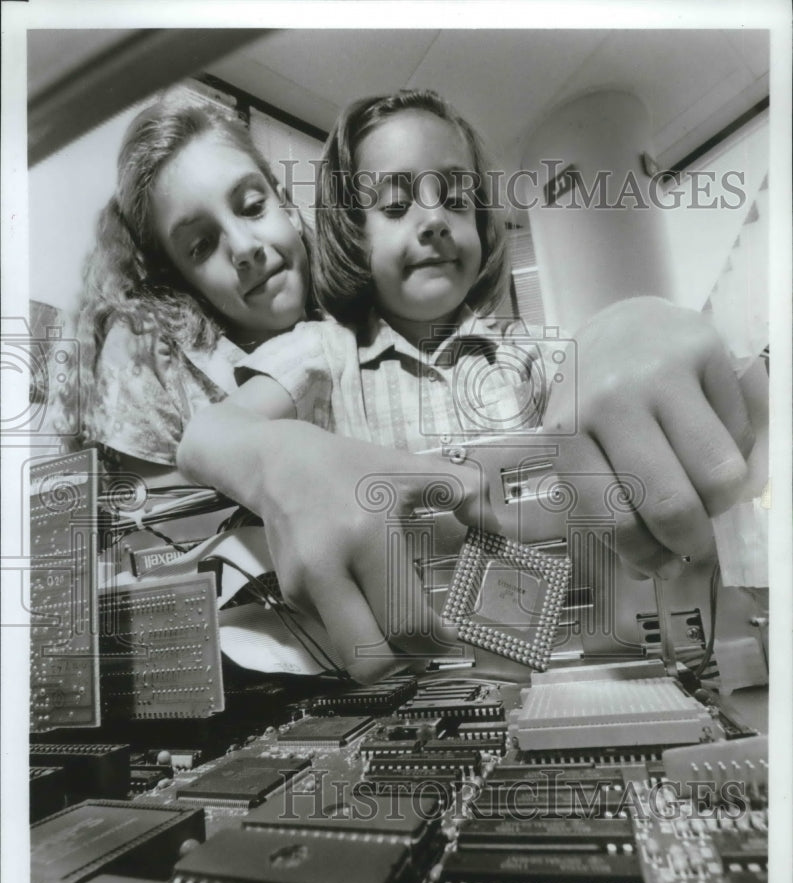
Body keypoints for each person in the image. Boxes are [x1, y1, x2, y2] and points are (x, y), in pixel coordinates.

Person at [177, 90, 757, 682]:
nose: (432, 221)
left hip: (550, 672)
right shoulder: (323, 353)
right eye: (395, 205)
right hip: (406, 687)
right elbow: (205, 437)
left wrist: (632, 325)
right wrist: (282, 458)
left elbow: (602, 371)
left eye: (455, 199)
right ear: (353, 233)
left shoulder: (527, 353)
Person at [46, 91, 315, 480]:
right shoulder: (147, 355)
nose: (244, 248)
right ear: (177, 277)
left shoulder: (368, 313)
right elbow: (154, 526)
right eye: (202, 245)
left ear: (286, 204)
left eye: (254, 206)